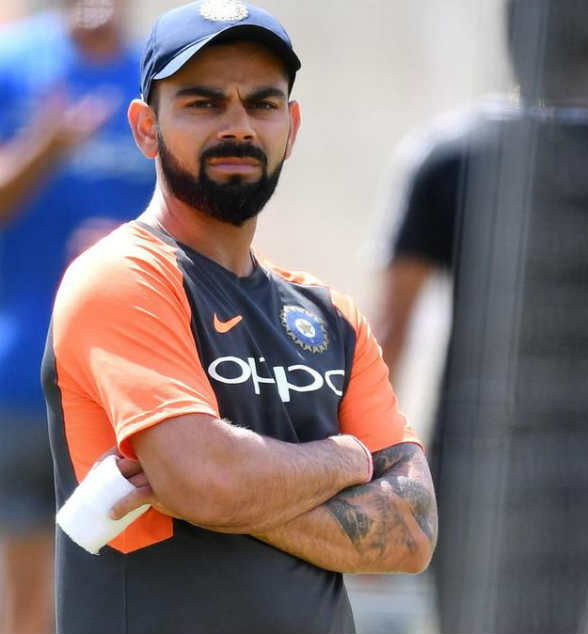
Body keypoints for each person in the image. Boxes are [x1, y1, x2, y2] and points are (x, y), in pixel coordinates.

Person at [41, 2, 437, 633]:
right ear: (145, 128)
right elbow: (202, 478)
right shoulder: (123, 277)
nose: (237, 126)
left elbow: (411, 532)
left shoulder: (331, 316)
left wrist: (215, 487)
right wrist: (343, 461)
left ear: (291, 126)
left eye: (261, 103)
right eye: (203, 103)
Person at [376, 1, 588, 631]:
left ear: (511, 44)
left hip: (472, 464)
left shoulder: (450, 160)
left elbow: (390, 336)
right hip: (583, 472)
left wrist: (367, 479)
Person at [0, 2, 153, 632]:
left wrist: (124, 247)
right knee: (30, 595)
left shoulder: (158, 76)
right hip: (22, 373)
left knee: (127, 590)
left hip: (134, 383)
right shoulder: (14, 62)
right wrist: (46, 146)